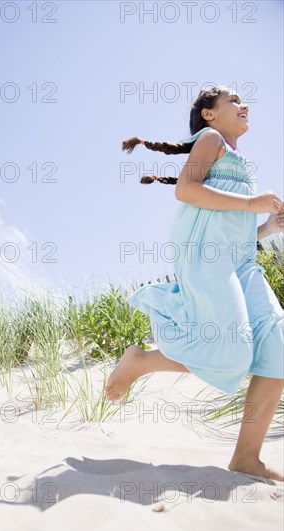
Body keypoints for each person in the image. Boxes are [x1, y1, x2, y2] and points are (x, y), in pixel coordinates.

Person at [105, 85, 284, 481]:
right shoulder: (211, 138)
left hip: (241, 261)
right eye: (234, 101)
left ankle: (246, 458)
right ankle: (143, 360)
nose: (244, 105)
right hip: (208, 259)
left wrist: (265, 227)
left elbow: (230, 227)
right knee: (232, 349)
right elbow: (186, 190)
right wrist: (254, 203)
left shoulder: (243, 162)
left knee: (278, 349)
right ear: (209, 114)